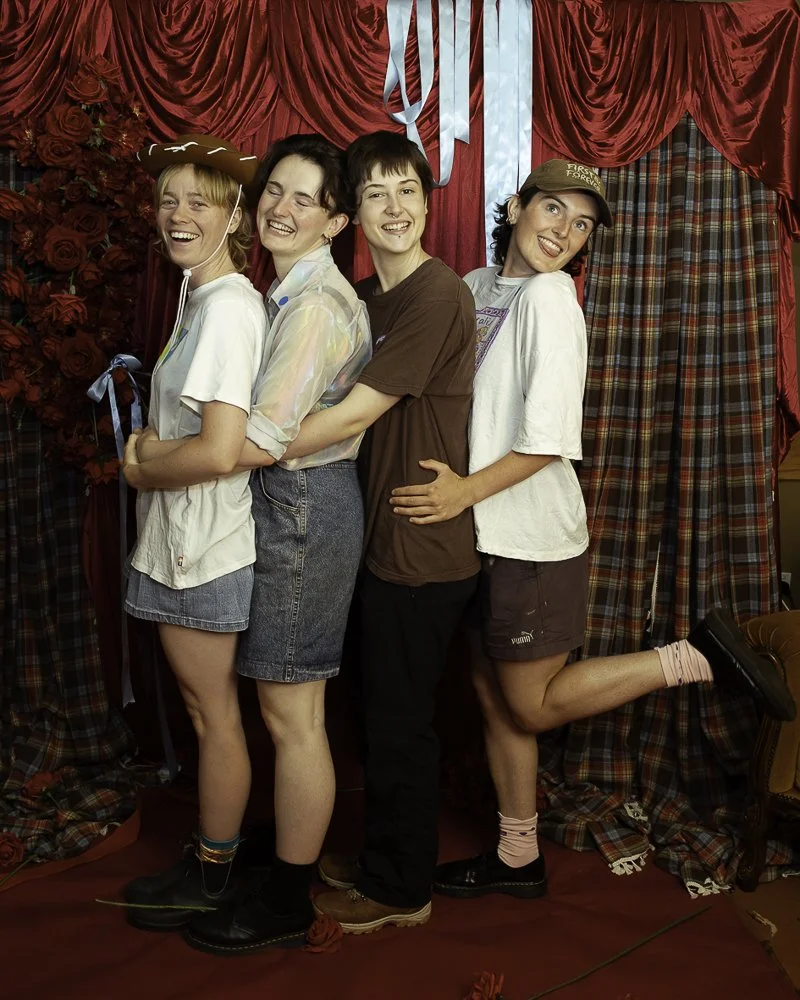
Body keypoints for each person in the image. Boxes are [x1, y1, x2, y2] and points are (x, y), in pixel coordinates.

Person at [389, 158, 797, 901]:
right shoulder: (477, 289)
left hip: (528, 538)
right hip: (479, 533)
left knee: (529, 704)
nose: (565, 233)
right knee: (489, 692)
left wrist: (460, 495)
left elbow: (548, 439)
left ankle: (693, 657)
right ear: (515, 207)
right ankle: (518, 855)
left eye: (582, 225)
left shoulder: (551, 299)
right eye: (554, 211)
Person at [244, 130, 480, 935]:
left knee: (400, 722)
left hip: (421, 542)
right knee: (375, 712)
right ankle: (382, 858)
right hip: (375, 532)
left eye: (407, 191)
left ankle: (400, 889)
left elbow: (351, 416)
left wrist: (241, 449)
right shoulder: (370, 298)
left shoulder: (438, 293)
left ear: (426, 202)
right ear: (352, 215)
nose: (394, 208)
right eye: (375, 193)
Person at [178, 133, 372, 955]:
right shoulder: (289, 294)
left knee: (292, 713)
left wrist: (156, 463)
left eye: (304, 199)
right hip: (293, 505)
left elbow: (259, 439)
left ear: (334, 220)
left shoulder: (317, 307)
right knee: (287, 707)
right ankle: (284, 863)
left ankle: (289, 898)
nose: (280, 209)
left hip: (301, 508)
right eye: (274, 193)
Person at [119, 134, 269, 928]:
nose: (177, 214)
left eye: (198, 200)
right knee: (205, 709)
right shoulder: (199, 296)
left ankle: (212, 871)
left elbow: (217, 450)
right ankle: (212, 853)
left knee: (214, 716)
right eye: (167, 199)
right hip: (180, 542)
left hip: (202, 549)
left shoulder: (231, 307)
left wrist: (142, 464)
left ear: (234, 213)